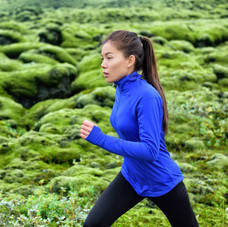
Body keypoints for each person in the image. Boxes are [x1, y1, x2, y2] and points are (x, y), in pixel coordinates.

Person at [80, 30, 199, 227]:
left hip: (162, 181)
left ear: (130, 61)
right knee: (93, 224)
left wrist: (101, 139)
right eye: (102, 58)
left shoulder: (147, 96)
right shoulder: (121, 89)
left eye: (109, 57)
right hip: (132, 176)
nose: (103, 64)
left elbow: (150, 151)